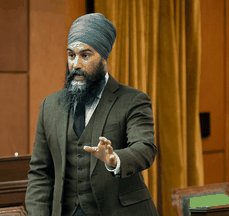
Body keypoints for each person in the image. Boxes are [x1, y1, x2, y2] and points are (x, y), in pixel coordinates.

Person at [25, 13, 159, 216]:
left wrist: (115, 159)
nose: (76, 64)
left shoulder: (133, 100)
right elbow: (40, 172)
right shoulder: (49, 106)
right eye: (71, 55)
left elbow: (145, 148)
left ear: (103, 58)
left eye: (85, 55)